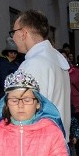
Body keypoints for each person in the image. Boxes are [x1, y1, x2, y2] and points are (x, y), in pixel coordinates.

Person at [10, 10, 71, 142]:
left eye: (13, 32)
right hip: (57, 141)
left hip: (40, 144)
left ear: (23, 33)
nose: (12, 38)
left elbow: (25, 113)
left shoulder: (34, 64)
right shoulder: (55, 57)